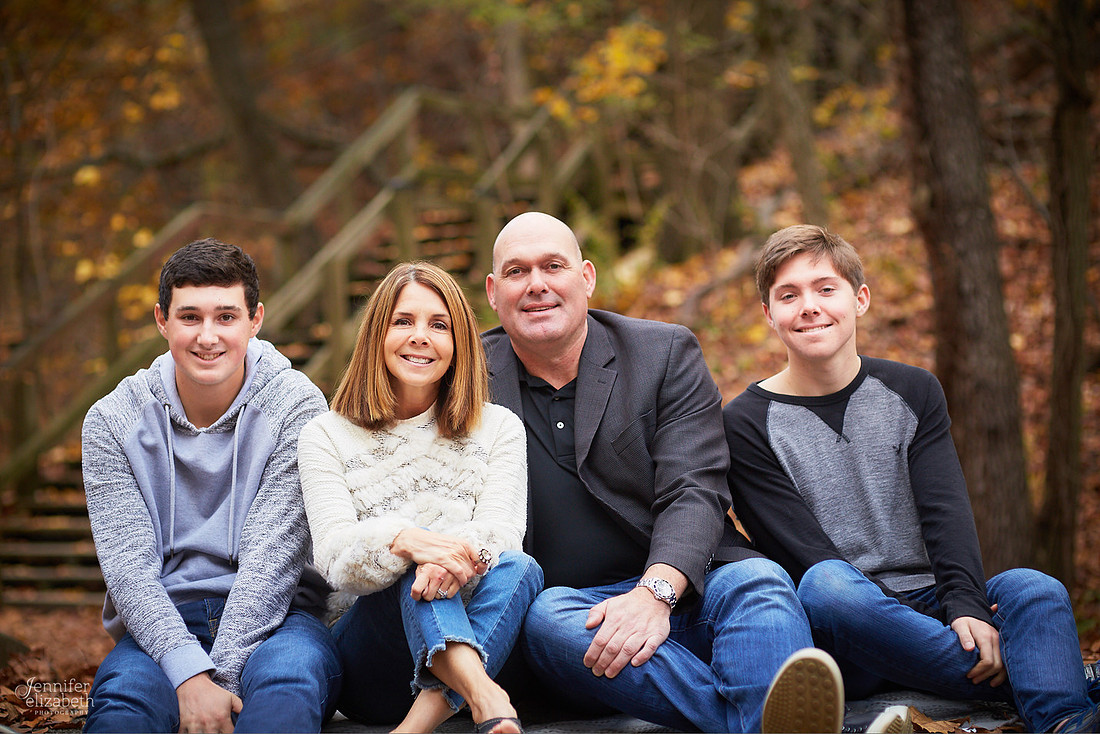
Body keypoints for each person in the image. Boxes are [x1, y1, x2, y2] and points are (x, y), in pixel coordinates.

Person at [723, 224, 1100, 733]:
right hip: (844, 629)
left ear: (860, 299)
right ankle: (1045, 677)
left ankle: (1066, 722)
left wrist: (965, 603)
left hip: (929, 602)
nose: (809, 306)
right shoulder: (744, 422)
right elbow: (801, 553)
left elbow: (945, 509)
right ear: (769, 315)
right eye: (788, 295)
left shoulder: (913, 390)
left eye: (825, 288)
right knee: (827, 584)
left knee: (1033, 588)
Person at [481, 211, 848, 734]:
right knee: (544, 618)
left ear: (586, 278)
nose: (537, 285)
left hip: (690, 592)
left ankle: (754, 721)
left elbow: (694, 488)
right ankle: (764, 723)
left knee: (758, 580)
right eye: (517, 272)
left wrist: (655, 593)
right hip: (581, 628)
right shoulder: (468, 376)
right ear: (494, 292)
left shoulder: (661, 353)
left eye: (553, 266)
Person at [81, 238, 341, 733]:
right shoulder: (112, 422)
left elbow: (273, 559)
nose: (207, 336)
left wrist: (214, 683)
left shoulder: (297, 406)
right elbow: (128, 570)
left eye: (226, 317)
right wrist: (185, 673)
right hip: (160, 622)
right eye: (189, 317)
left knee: (289, 686)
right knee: (122, 705)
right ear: (162, 320)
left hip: (280, 620)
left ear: (255, 319)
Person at [297, 261, 542, 734]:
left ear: (459, 343)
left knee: (522, 567)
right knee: (413, 556)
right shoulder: (325, 434)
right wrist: (408, 542)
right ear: (376, 334)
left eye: (439, 325)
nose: (420, 336)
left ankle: (424, 719)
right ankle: (484, 695)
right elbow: (333, 557)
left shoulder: (499, 428)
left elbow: (502, 532)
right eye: (403, 321)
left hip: (476, 631)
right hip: (372, 658)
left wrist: (444, 559)